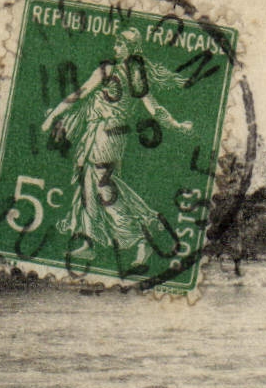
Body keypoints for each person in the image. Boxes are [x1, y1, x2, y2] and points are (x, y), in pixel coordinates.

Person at [38, 28, 193, 270]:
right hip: (104, 133)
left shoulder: (117, 73)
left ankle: (141, 238)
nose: (115, 48)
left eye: (119, 45)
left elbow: (81, 95)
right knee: (88, 182)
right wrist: (177, 125)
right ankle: (88, 242)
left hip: (106, 134)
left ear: (130, 48)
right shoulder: (128, 75)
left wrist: (177, 125)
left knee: (103, 185)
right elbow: (82, 94)